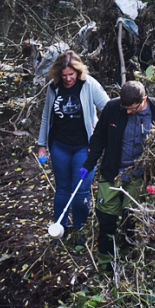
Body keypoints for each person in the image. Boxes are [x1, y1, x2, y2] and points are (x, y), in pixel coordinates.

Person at [80, 81, 155, 268]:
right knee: (106, 221)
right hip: (113, 173)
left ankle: (130, 264)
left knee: (132, 221)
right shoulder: (113, 108)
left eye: (132, 108)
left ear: (143, 100)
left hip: (139, 176)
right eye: (125, 108)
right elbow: (99, 139)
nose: (128, 112)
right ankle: (105, 265)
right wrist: (89, 164)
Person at [37, 50, 109, 243]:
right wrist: (42, 145)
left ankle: (79, 232)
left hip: (84, 148)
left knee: (80, 191)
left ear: (78, 71)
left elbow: (108, 109)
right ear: (58, 74)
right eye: (64, 75)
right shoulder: (53, 87)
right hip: (59, 145)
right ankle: (60, 230)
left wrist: (98, 139)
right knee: (62, 190)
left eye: (71, 75)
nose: (68, 79)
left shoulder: (89, 84)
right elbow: (46, 116)